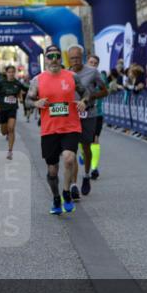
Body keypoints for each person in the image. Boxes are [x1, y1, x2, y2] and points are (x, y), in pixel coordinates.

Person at [24, 44, 89, 215]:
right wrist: (36, 103)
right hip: (49, 130)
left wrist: (84, 102)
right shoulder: (37, 80)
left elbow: (86, 93)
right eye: (50, 56)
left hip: (71, 126)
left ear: (61, 58)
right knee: (52, 170)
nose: (54, 59)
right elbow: (27, 100)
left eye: (57, 56)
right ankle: (55, 197)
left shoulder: (72, 76)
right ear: (45, 59)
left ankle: (66, 192)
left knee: (69, 159)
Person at [67, 45, 107, 199]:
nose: (75, 61)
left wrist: (90, 97)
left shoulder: (92, 72)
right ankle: (73, 185)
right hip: (71, 115)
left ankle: (86, 175)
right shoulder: (65, 74)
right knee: (71, 150)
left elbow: (105, 90)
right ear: (68, 59)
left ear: (82, 57)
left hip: (89, 114)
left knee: (86, 147)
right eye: (72, 58)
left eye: (77, 58)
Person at [0, 65, 27, 160]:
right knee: (4, 132)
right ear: (6, 73)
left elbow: (23, 90)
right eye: (9, 72)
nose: (11, 74)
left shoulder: (17, 83)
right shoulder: (1, 83)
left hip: (12, 109)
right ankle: (2, 129)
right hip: (3, 109)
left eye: (13, 72)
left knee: (11, 128)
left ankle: (10, 151)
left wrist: (20, 97)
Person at [86, 55, 105, 179]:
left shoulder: (100, 77)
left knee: (95, 139)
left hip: (97, 113)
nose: (93, 64)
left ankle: (94, 167)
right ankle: (85, 156)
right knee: (84, 142)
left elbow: (105, 91)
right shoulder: (80, 76)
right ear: (87, 63)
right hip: (82, 113)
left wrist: (94, 96)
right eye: (91, 62)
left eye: (95, 63)